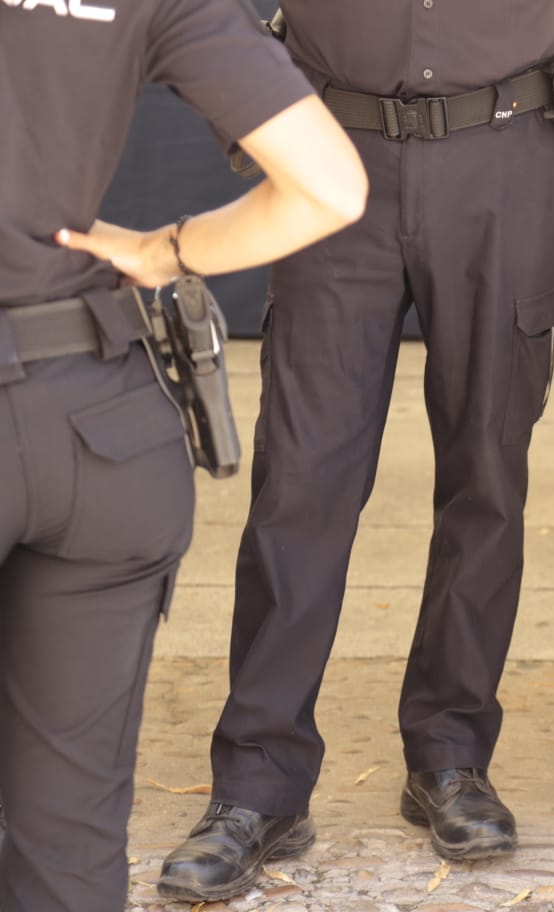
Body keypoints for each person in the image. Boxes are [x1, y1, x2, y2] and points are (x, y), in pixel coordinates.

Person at [156, 1, 554, 904]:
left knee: (486, 478)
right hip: (333, 159)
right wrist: (253, 117)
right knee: (301, 485)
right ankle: (258, 784)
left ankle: (450, 756)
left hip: (507, 158)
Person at [0, 4, 367, 910]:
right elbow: (331, 188)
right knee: (70, 844)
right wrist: (165, 252)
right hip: (99, 427)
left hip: (90, 426)